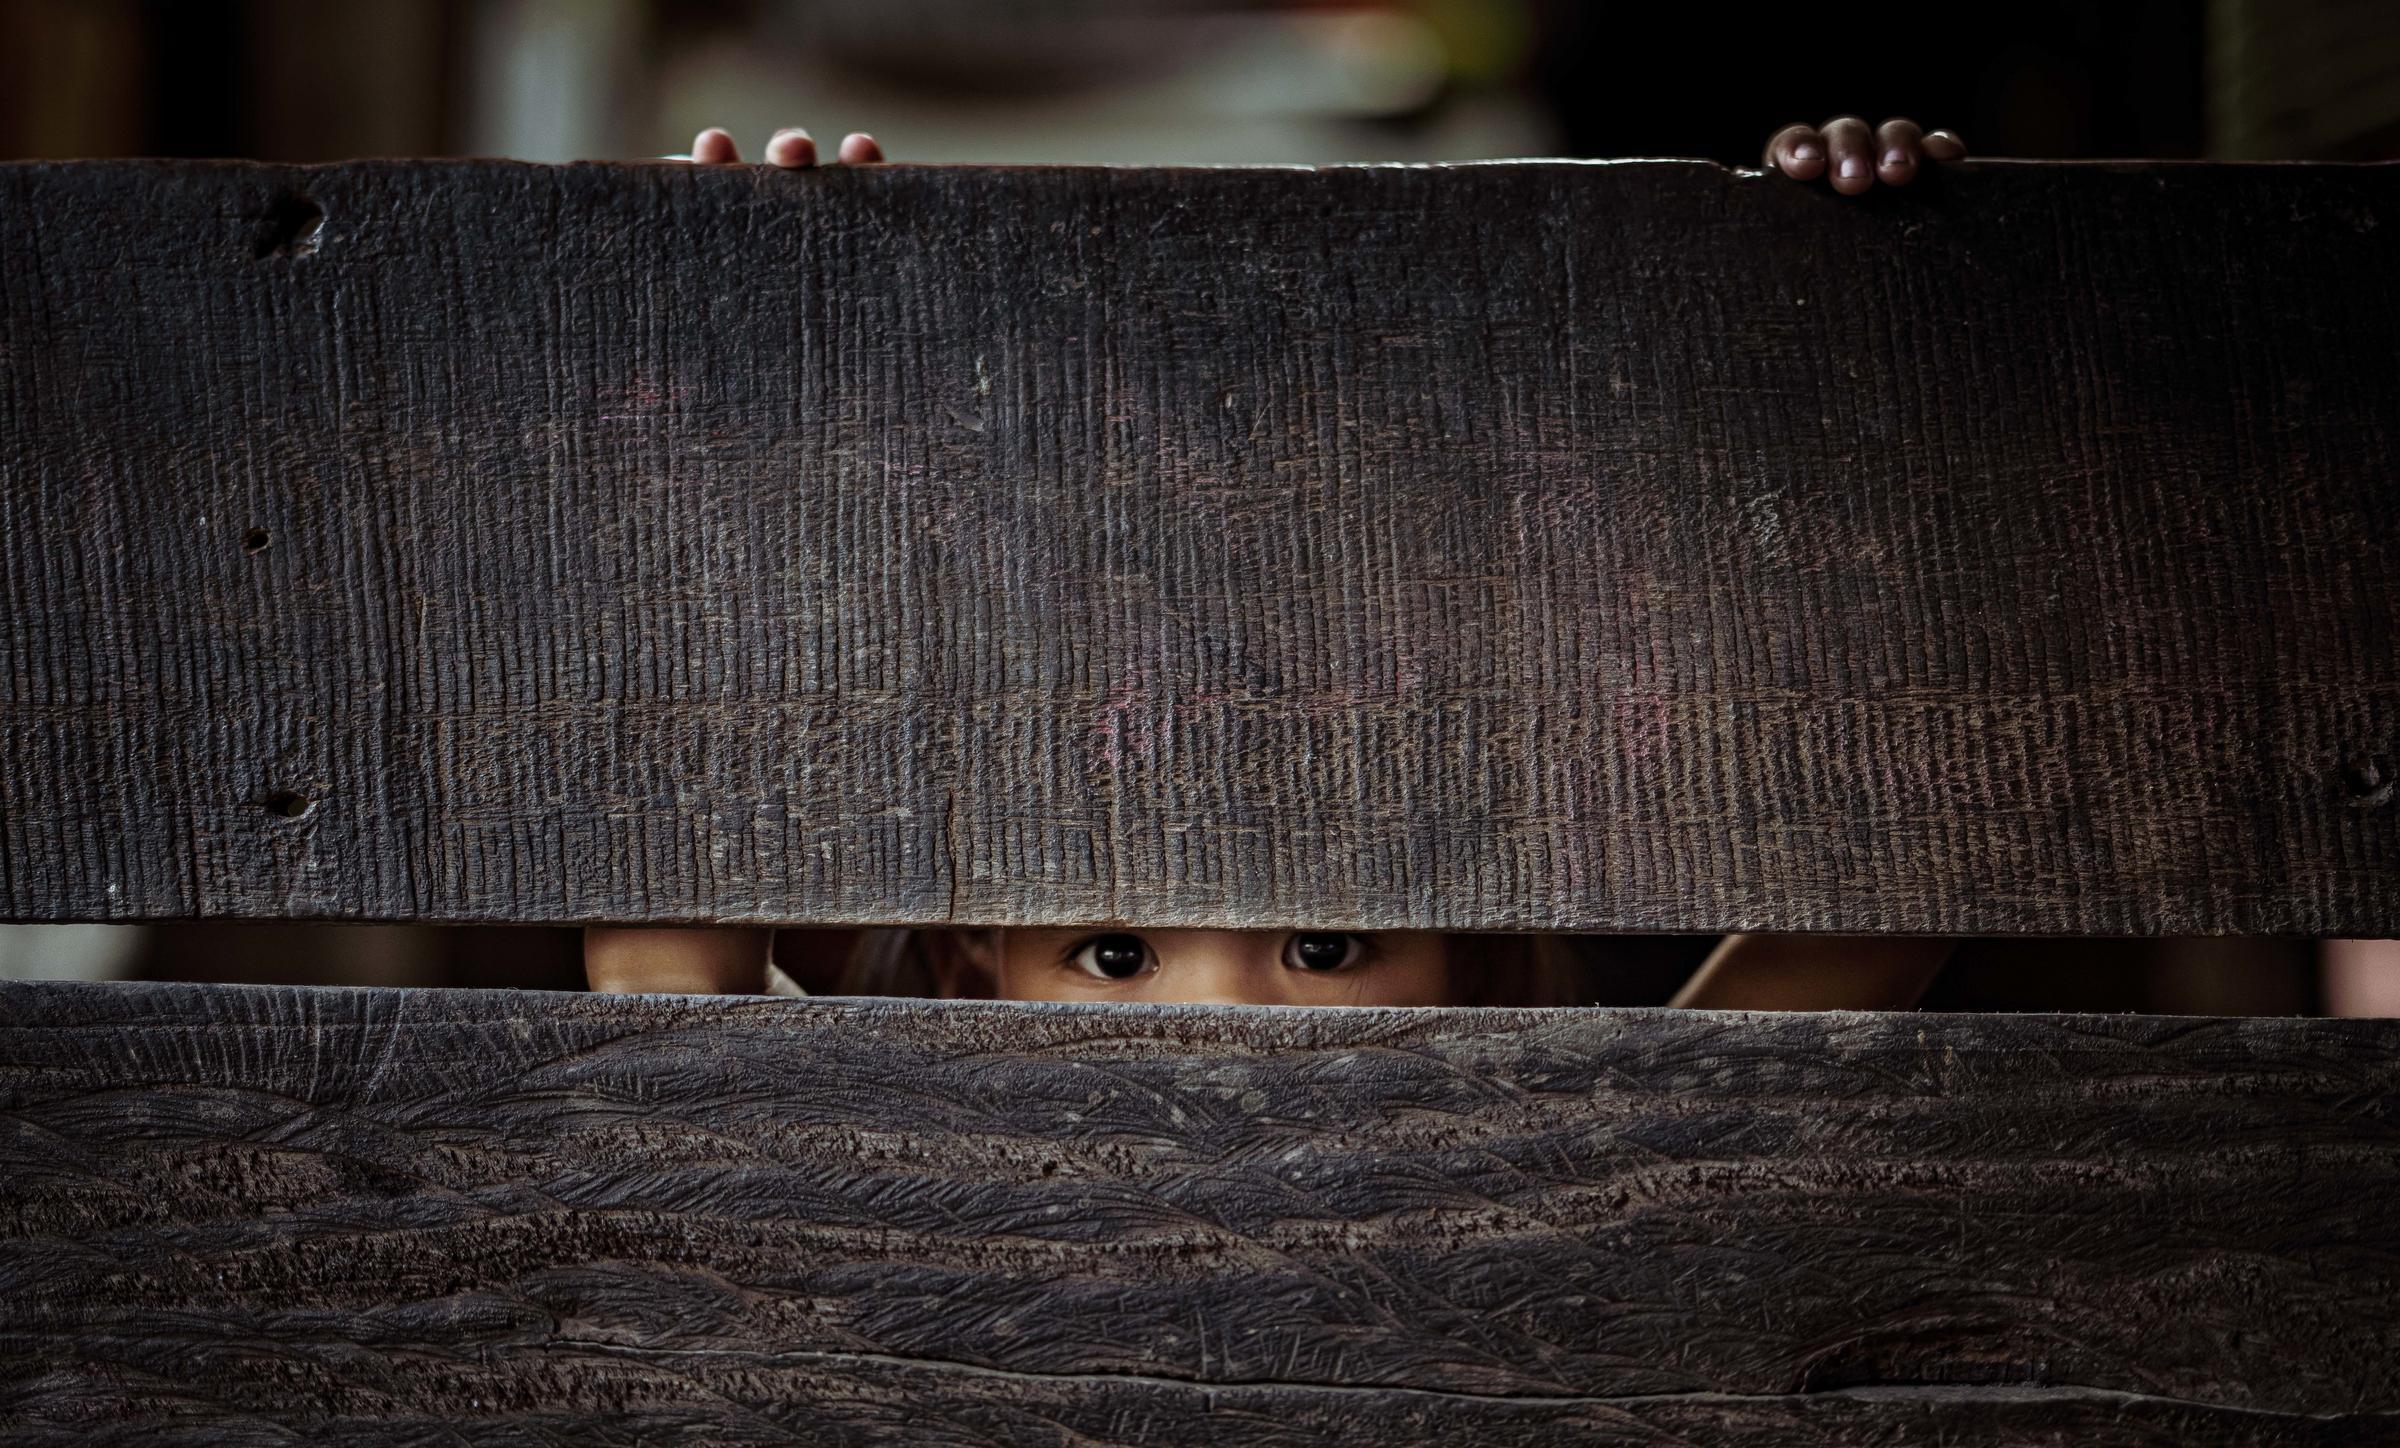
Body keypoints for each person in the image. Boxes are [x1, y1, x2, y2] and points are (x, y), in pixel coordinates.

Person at [587, 117, 1969, 1011]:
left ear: (1468, 956)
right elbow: (668, 971)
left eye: (1328, 948)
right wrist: (755, 373)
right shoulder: (848, 1159)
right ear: (973, 962)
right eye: (1115, 955)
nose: (1229, 1034)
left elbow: (1893, 881)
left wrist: (1860, 313)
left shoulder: (1558, 1173)